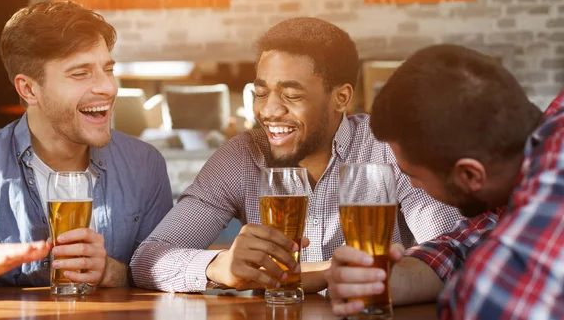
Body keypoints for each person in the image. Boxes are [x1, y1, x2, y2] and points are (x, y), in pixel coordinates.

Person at [129, 18, 467, 293]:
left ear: (341, 97)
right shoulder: (240, 157)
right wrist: (219, 266)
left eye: (291, 95)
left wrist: (320, 275)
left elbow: (453, 253)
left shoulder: (387, 148)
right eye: (260, 93)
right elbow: (147, 260)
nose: (269, 110)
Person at [325, 44, 564, 319]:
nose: (411, 185)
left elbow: (490, 304)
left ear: (470, 175)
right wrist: (381, 280)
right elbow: (463, 247)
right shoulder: (518, 175)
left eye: (412, 175)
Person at [0, 0, 173, 287]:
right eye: (80, 73)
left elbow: (161, 278)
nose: (108, 87)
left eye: (107, 70)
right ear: (29, 89)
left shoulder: (145, 164)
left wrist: (109, 271)